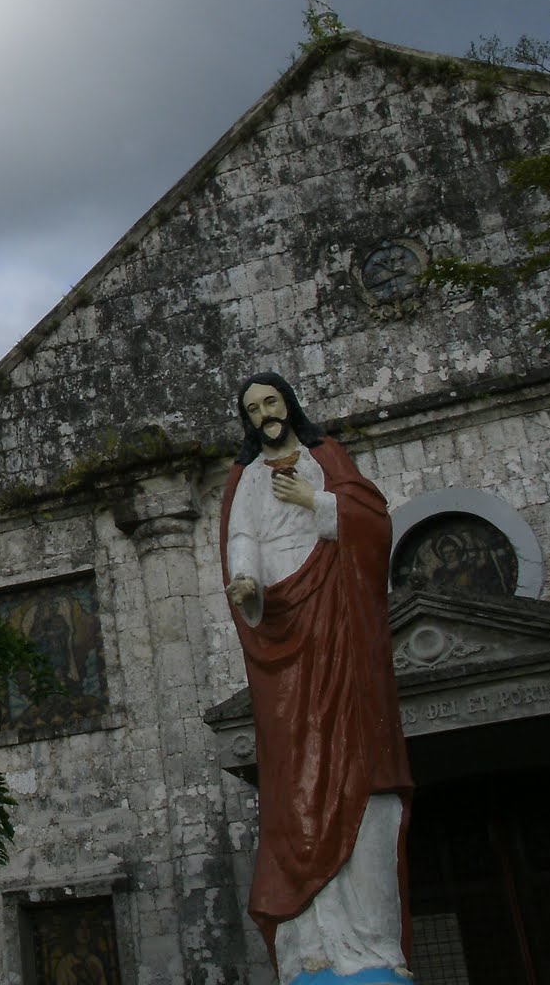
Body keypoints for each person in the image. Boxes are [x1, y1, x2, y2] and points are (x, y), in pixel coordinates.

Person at [220, 372, 412, 985]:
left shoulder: (324, 459)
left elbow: (373, 524)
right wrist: (245, 580)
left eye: (271, 402)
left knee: (356, 757)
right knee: (295, 764)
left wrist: (315, 502)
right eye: (253, 408)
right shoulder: (246, 478)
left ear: (288, 404)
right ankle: (314, 944)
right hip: (279, 620)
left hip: (335, 613)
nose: (265, 414)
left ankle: (370, 945)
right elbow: (241, 534)